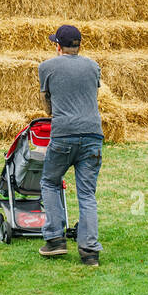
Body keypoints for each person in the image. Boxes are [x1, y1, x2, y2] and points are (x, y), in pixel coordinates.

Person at [38, 24, 103, 266]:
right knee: (87, 194)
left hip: (64, 134)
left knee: (50, 181)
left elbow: (48, 104)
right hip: (93, 134)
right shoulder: (93, 66)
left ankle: (55, 239)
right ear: (79, 45)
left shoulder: (46, 67)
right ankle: (89, 251)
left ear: (58, 46)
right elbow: (91, 97)